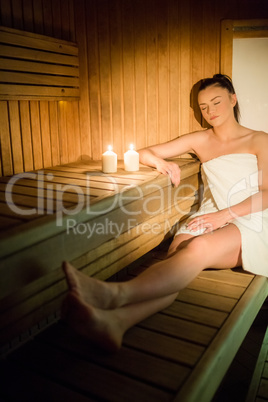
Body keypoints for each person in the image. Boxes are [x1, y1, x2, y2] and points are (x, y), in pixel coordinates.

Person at [62, 74, 268, 352]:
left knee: (199, 248)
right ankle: (117, 323)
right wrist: (161, 163)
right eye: (203, 106)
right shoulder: (200, 140)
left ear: (232, 99)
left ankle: (114, 294)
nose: (210, 111)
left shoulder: (259, 140)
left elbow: (267, 193)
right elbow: (144, 152)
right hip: (211, 211)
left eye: (216, 102)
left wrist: (224, 216)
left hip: (251, 216)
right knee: (176, 259)